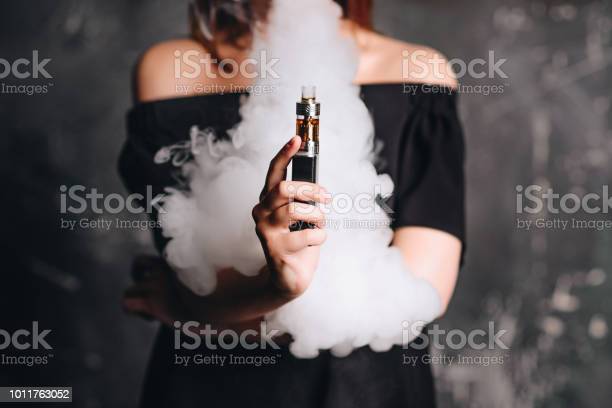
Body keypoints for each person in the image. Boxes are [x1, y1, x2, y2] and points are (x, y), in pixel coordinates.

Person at [119, 0, 465, 406]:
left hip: (362, 391)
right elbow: (192, 278)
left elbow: (415, 299)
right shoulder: (173, 69)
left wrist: (192, 312)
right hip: (211, 388)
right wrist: (273, 289)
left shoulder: (416, 73)